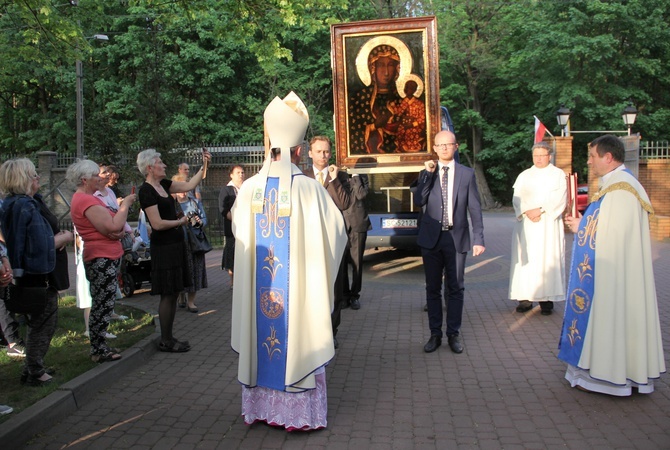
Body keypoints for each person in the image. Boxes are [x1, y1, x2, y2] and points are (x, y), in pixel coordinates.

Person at [231, 92, 347, 430]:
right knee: (295, 338)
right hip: (294, 298)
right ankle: (297, 415)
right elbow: (337, 232)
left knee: (260, 339)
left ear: (269, 143)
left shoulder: (249, 188)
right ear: (298, 150)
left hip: (260, 292)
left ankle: (262, 409)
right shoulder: (310, 189)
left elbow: (239, 233)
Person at [559, 134, 665, 396]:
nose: (590, 161)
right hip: (613, 271)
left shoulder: (621, 191)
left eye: (593, 156)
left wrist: (581, 226)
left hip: (612, 275)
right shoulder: (616, 186)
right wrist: (584, 222)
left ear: (608, 157)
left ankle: (610, 374)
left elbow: (612, 237)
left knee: (612, 318)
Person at [0, 158, 73, 384]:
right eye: (33, 175)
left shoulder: (24, 202)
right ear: (23, 179)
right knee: (43, 323)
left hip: (37, 273)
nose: (38, 178)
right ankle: (34, 371)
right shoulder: (23, 205)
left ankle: (33, 366)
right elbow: (38, 244)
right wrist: (64, 237)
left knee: (41, 322)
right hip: (38, 275)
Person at [413, 130, 485, 354]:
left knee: (455, 287)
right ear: (434, 148)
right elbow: (419, 199)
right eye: (440, 145)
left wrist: (479, 238)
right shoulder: (427, 172)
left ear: (456, 146)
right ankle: (435, 334)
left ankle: (453, 333)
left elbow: (474, 208)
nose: (444, 148)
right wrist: (426, 174)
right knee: (432, 288)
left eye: (448, 144)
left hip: (456, 238)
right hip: (431, 239)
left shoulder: (467, 174)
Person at [137, 148, 211, 352]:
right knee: (168, 293)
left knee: (174, 290)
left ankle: (169, 337)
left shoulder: (164, 185)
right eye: (160, 162)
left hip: (176, 245)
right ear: (150, 167)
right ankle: (165, 340)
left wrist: (204, 165)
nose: (164, 165)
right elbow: (157, 224)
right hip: (165, 248)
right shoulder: (146, 191)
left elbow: (189, 184)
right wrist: (182, 221)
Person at [68, 159, 134, 363]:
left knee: (104, 302)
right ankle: (98, 349)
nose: (100, 177)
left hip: (105, 254)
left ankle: (100, 345)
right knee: (102, 304)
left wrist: (116, 228)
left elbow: (113, 228)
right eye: (96, 175)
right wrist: (125, 206)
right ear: (84, 179)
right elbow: (114, 227)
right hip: (100, 257)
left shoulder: (88, 199)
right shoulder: (86, 201)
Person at [508, 142, 567, 316]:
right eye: (536, 155)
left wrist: (540, 210)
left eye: (542, 155)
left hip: (548, 225)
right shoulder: (524, 175)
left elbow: (560, 198)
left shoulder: (558, 175)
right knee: (526, 261)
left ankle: (546, 299)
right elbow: (517, 198)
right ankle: (525, 299)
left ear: (549, 156)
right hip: (527, 225)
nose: (539, 159)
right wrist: (527, 211)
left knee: (547, 260)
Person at [306, 135, 353, 345]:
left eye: (326, 151)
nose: (323, 155)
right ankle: (312, 330)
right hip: (308, 242)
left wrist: (333, 180)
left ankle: (331, 333)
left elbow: (344, 203)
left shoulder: (340, 177)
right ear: (310, 153)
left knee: (335, 289)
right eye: (318, 151)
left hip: (334, 241)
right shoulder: (301, 177)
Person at [349, 44, 402, 154]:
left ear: (397, 69)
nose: (386, 72)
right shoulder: (360, 98)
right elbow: (353, 132)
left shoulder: (401, 99)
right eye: (381, 65)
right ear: (373, 68)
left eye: (391, 65)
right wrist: (374, 126)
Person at [95, 165, 131, 321]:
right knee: (104, 281)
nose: (108, 174)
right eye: (104, 172)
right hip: (106, 240)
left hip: (118, 239)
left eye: (108, 172)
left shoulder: (109, 191)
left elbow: (118, 212)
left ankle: (111, 310)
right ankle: (102, 317)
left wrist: (128, 231)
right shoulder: (94, 195)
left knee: (114, 275)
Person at [171, 173, 208, 313]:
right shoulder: (172, 204)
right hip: (179, 243)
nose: (182, 191)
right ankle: (181, 296)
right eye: (179, 188)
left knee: (196, 271)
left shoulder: (194, 202)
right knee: (181, 270)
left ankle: (191, 301)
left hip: (195, 242)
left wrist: (200, 221)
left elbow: (205, 220)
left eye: (185, 187)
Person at [342, 173, 371, 310]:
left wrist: (355, 177)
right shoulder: (338, 176)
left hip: (358, 226)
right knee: (341, 265)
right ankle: (344, 296)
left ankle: (355, 296)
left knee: (357, 264)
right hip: (341, 226)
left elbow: (361, 195)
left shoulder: (362, 179)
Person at [218, 165, 245, 289]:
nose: (241, 174)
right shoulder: (227, 190)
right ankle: (233, 281)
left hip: (246, 228)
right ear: (231, 175)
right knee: (232, 255)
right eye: (238, 172)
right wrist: (236, 220)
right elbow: (223, 209)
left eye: (242, 172)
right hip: (232, 228)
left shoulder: (247, 188)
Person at [395, 78, 427, 153]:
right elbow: (398, 113)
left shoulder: (419, 103)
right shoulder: (403, 102)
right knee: (399, 131)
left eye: (410, 88)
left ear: (414, 90)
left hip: (415, 126)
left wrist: (412, 124)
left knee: (410, 132)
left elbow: (422, 118)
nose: (407, 90)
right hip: (404, 124)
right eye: (406, 87)